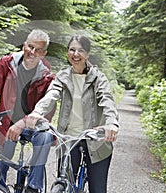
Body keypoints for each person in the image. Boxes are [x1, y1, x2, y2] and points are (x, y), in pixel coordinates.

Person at [27, 35, 119, 193]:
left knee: (97, 189)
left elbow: (107, 100)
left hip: (96, 140)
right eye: (72, 50)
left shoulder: (98, 78)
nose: (75, 54)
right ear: (67, 52)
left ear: (88, 54)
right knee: (65, 184)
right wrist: (37, 112)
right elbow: (51, 95)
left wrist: (112, 123)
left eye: (81, 50)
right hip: (69, 141)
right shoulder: (62, 76)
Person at [0, 29, 55, 193]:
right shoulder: (6, 64)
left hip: (32, 126)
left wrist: (25, 123)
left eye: (38, 50)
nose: (32, 52)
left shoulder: (47, 75)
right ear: (24, 46)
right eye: (30, 47)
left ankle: (33, 187)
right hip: (6, 126)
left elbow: (48, 109)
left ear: (44, 53)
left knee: (45, 136)